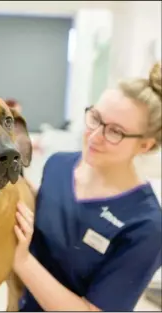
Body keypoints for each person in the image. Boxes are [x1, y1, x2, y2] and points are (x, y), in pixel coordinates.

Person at [13, 62, 162, 311]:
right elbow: (52, 213)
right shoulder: (58, 165)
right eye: (95, 118)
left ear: (145, 145)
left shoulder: (146, 226)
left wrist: (22, 261)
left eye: (115, 132)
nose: (94, 137)